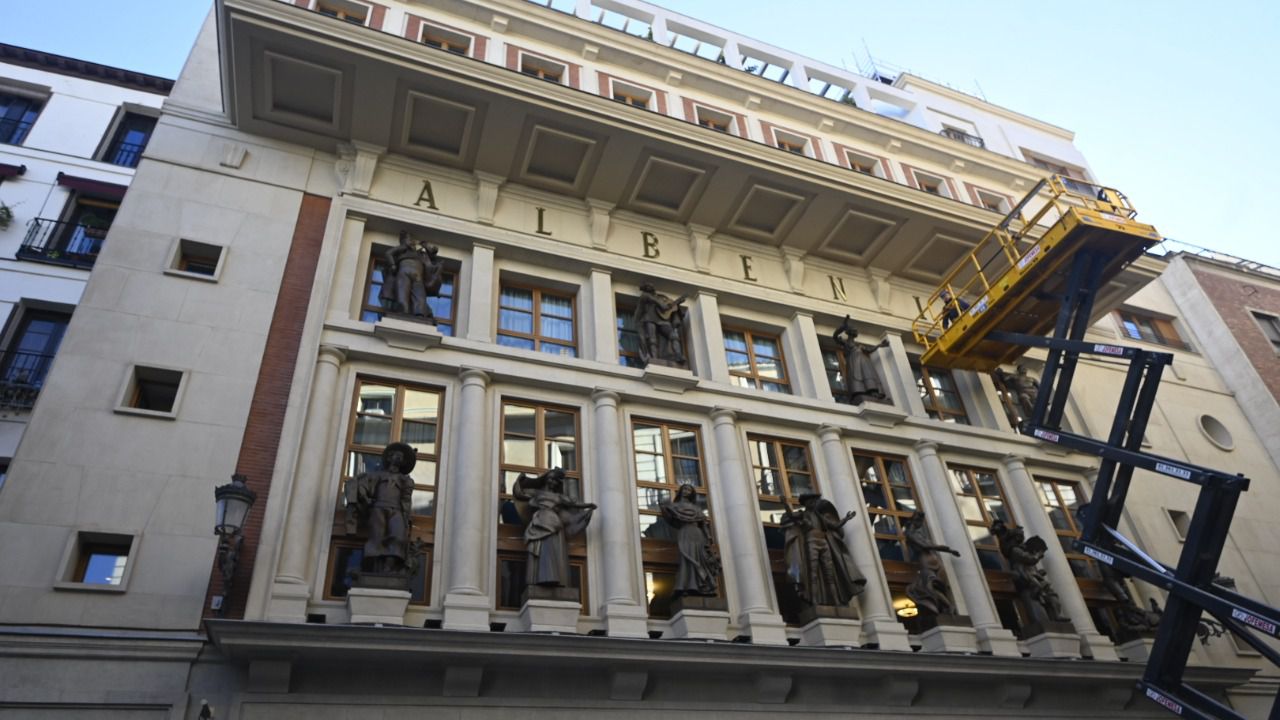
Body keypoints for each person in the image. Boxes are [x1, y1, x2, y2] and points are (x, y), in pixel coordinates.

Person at [513, 468, 597, 587]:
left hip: (555, 524)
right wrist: (519, 480)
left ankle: (555, 578)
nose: (552, 482)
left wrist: (589, 505)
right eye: (551, 479)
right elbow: (520, 493)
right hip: (540, 522)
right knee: (541, 550)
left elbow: (574, 503)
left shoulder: (559, 497)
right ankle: (539, 578)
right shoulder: (537, 492)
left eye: (555, 481)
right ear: (546, 479)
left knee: (555, 550)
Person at [782, 493, 866, 607]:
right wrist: (785, 504)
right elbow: (791, 515)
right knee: (813, 573)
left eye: (814, 501)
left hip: (823, 543)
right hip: (811, 543)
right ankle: (814, 602)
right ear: (805, 503)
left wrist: (846, 518)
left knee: (829, 574)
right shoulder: (802, 515)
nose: (813, 503)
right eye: (810, 501)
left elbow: (835, 526)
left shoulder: (819, 516)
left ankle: (836, 601)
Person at [345, 442, 415, 574]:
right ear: (389, 458)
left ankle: (389, 568)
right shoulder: (377, 475)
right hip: (378, 509)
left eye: (401, 457)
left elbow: (406, 499)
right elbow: (361, 486)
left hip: (396, 511)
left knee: (398, 536)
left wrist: (407, 516)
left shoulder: (405, 480)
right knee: (377, 537)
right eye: (396, 455)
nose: (399, 458)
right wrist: (364, 497)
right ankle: (375, 570)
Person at [659, 484, 719, 597]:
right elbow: (670, 519)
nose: (687, 491)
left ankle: (698, 586)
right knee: (687, 559)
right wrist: (663, 508)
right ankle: (684, 586)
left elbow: (703, 525)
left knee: (699, 559)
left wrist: (708, 537)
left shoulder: (696, 509)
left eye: (689, 490)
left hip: (697, 534)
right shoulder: (674, 507)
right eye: (685, 489)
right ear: (681, 491)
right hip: (685, 532)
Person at [904, 511, 961, 617]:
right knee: (929, 587)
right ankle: (949, 606)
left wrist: (949, 550)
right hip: (925, 563)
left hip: (936, 562)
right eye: (918, 520)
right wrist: (945, 549)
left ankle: (946, 608)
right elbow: (925, 546)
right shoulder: (910, 534)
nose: (920, 523)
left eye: (921, 521)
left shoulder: (919, 534)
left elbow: (929, 545)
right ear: (912, 521)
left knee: (941, 587)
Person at [380, 229, 443, 321]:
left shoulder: (421, 254)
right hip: (404, 274)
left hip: (418, 277)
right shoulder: (402, 249)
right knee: (402, 296)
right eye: (409, 239)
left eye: (412, 240)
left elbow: (432, 255)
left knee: (420, 298)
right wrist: (392, 265)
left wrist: (426, 246)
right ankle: (402, 313)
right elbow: (388, 253)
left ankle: (420, 316)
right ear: (403, 241)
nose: (412, 242)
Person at [831, 315, 890, 404]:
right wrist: (842, 327)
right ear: (850, 333)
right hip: (854, 363)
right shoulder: (846, 343)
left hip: (864, 363)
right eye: (855, 331)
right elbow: (835, 337)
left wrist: (880, 345)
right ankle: (859, 393)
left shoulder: (859, 346)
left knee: (868, 376)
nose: (856, 332)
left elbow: (870, 350)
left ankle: (873, 392)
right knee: (857, 378)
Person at [632, 283, 688, 367]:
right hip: (649, 319)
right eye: (648, 286)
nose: (651, 287)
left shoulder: (660, 297)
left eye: (651, 286)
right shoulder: (645, 296)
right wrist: (663, 305)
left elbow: (668, 306)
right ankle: (654, 359)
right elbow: (658, 303)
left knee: (674, 335)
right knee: (652, 340)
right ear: (645, 289)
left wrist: (676, 304)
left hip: (662, 320)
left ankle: (678, 355)